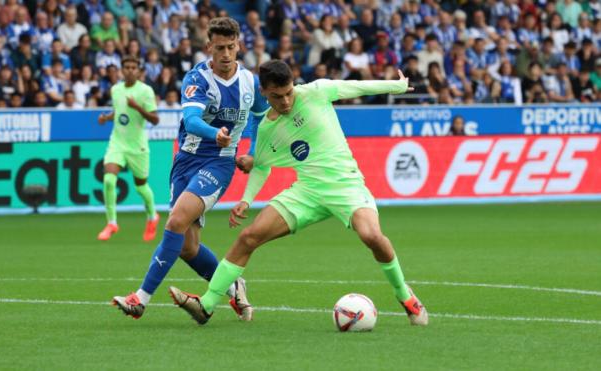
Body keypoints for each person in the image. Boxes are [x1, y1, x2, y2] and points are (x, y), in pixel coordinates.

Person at [167, 60, 428, 327]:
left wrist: (396, 85)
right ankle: (207, 305)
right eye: (277, 97)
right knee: (248, 237)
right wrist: (246, 199)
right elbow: (261, 164)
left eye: (289, 92)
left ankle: (405, 296)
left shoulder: (315, 91)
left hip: (345, 185)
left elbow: (356, 87)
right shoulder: (267, 129)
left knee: (371, 235)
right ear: (264, 93)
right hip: (307, 191)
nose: (286, 101)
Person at [112, 17, 268, 321]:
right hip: (185, 161)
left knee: (176, 221)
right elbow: (193, 121)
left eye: (231, 47)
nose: (225, 54)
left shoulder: (251, 82)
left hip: (220, 162)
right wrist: (216, 132)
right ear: (208, 47)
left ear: (239, 46)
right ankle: (233, 285)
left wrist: (252, 152)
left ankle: (140, 299)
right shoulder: (197, 78)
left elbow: (262, 118)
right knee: (187, 246)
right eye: (219, 48)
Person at [96, 55, 160, 241]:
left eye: (134, 67)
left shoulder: (145, 91)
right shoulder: (115, 89)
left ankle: (152, 216)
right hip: (117, 142)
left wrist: (137, 107)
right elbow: (120, 110)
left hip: (137, 146)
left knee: (141, 187)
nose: (130, 70)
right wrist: (107, 118)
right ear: (122, 70)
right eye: (127, 67)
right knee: (108, 180)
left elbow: (155, 120)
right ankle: (112, 223)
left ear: (139, 70)